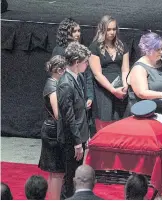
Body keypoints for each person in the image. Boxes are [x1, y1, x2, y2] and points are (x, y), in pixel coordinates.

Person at [57, 42, 91, 199]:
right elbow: (69, 118)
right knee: (70, 179)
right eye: (85, 61)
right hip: (71, 140)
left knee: (75, 176)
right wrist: (78, 143)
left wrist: (86, 135)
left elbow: (80, 111)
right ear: (77, 62)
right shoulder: (65, 84)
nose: (87, 64)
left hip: (79, 135)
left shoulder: (79, 77)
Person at [53, 17, 95, 134]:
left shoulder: (80, 50)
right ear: (66, 33)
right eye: (74, 31)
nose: (77, 34)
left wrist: (90, 96)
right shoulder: (60, 51)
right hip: (68, 94)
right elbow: (56, 76)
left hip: (81, 94)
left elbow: (87, 74)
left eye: (78, 31)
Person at [89, 15, 130, 130]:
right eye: (109, 29)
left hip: (119, 89)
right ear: (102, 30)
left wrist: (125, 85)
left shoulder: (122, 46)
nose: (112, 32)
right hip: (103, 90)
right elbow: (97, 74)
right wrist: (112, 90)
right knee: (104, 122)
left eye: (114, 29)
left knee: (120, 121)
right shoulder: (95, 47)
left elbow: (125, 69)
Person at [38, 55, 66, 200]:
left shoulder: (52, 83)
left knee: (54, 171)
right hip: (53, 131)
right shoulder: (52, 87)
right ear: (60, 70)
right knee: (57, 171)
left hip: (52, 129)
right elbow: (57, 114)